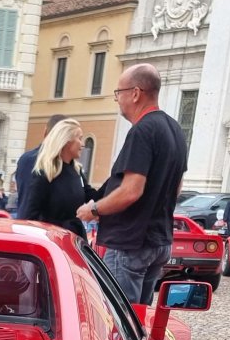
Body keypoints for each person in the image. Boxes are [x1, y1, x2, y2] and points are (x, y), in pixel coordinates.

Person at [75, 64, 187, 304]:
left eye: (119, 92)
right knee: (139, 318)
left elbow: (130, 191)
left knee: (119, 319)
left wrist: (93, 210)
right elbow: (176, 188)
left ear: (135, 93)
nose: (117, 99)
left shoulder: (142, 131)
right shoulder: (175, 129)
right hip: (158, 240)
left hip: (130, 242)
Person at [19, 118, 90, 237]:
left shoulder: (76, 171)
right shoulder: (44, 173)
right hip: (52, 239)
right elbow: (30, 214)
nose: (82, 144)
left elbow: (92, 195)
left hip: (73, 237)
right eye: (79, 138)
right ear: (66, 141)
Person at [15, 113, 67, 214]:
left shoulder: (25, 158)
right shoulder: (59, 162)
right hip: (45, 225)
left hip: (24, 219)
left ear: (45, 132)